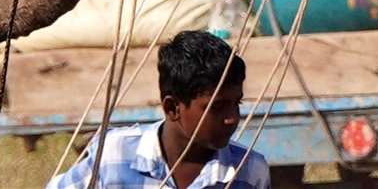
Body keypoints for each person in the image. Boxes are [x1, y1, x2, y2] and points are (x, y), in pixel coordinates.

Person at [46, 30, 270, 189]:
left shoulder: (248, 171)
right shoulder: (114, 156)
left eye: (236, 103)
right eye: (217, 106)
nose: (232, 118)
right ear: (172, 108)